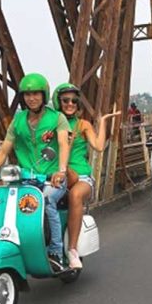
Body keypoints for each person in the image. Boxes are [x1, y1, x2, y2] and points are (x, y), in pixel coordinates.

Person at [0, 73, 71, 267]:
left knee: (47, 201)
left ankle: (55, 251)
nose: (31, 98)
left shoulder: (57, 118)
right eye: (27, 94)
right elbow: (5, 148)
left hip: (51, 178)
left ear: (44, 95)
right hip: (25, 178)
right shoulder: (18, 121)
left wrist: (61, 171)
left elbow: (63, 144)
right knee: (4, 202)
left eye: (36, 94)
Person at [52, 83, 120, 269]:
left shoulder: (83, 124)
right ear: (58, 102)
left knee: (75, 195)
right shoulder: (51, 124)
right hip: (55, 175)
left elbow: (98, 146)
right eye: (65, 100)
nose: (70, 104)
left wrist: (103, 122)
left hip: (80, 177)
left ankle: (72, 250)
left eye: (74, 100)